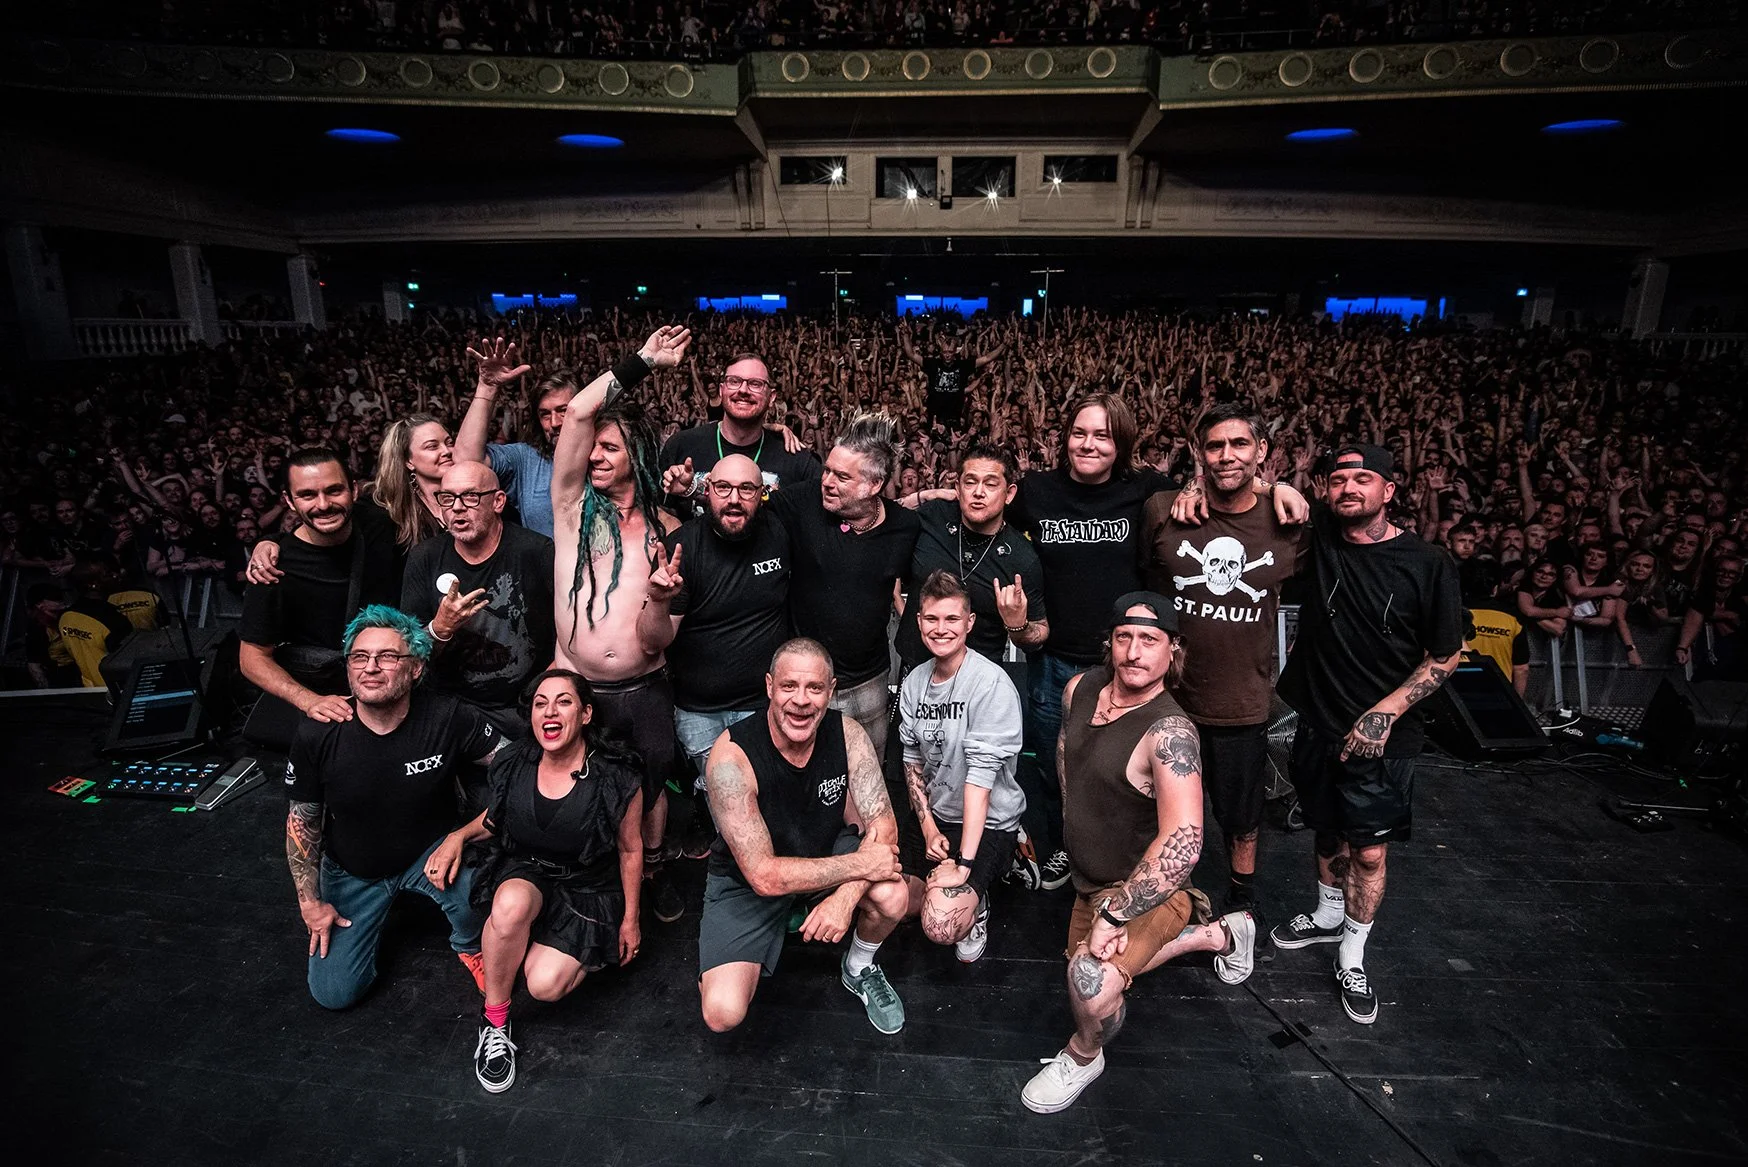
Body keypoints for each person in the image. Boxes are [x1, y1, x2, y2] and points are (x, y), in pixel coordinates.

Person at [1020, 593, 1256, 1114]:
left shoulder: (1170, 733)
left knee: (1089, 983)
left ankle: (1084, 1057)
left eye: (1150, 640)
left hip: (1142, 892)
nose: (1134, 651)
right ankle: (1218, 935)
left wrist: (1115, 913)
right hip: (1088, 877)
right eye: (1124, 638)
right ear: (1110, 643)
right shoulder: (1080, 689)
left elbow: (1186, 842)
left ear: (1173, 652)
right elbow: (1066, 762)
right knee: (1089, 964)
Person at [1271, 444, 1464, 1025]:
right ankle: (1328, 915)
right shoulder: (1326, 538)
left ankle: (1352, 953)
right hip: (1319, 723)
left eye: (1363, 479)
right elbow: (1274, 500)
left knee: (1370, 852)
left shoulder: (1426, 562)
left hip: (1384, 736)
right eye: (1338, 480)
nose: (1349, 488)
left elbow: (1447, 654)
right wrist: (1282, 481)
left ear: (1389, 490)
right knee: (1326, 830)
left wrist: (1383, 713)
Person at [283, 605, 504, 1011]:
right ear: (348, 668)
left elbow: (513, 768)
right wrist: (309, 902)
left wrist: (464, 834)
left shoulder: (447, 716)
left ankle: (469, 944)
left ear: (416, 669)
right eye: (360, 657)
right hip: (355, 869)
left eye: (388, 656)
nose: (371, 668)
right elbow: (302, 819)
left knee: (490, 900)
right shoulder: (319, 731)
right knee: (333, 995)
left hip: (432, 852)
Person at [551, 325, 692, 923]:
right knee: (580, 787)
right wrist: (643, 362)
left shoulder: (668, 530)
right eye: (593, 448)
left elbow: (658, 641)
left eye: (609, 448)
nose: (593, 457)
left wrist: (659, 600)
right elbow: (580, 410)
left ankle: (653, 869)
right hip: (580, 686)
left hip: (646, 689)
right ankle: (596, 877)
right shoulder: (570, 507)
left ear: (638, 454)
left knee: (652, 784)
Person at [1143, 404, 1308, 914]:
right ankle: (1165, 903)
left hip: (1241, 703)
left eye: (1240, 444)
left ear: (1262, 452)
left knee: (1242, 819)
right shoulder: (1162, 511)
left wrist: (1278, 489)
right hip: (1168, 701)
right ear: (1199, 454)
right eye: (1215, 445)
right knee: (1163, 816)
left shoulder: (1290, 523)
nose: (1227, 455)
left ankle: (1240, 910)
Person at [697, 639, 908, 1035]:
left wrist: (845, 898)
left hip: (826, 854)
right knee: (722, 1013)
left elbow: (886, 827)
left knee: (894, 896)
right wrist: (862, 865)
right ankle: (759, 938)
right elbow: (763, 875)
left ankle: (858, 966)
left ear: (831, 691)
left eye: (814, 688)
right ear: (769, 687)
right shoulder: (731, 757)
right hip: (749, 884)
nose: (801, 700)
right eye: (789, 686)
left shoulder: (848, 733)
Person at [470, 670, 646, 1093]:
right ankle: (495, 1022)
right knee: (510, 906)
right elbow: (496, 820)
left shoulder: (616, 776)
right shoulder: (516, 760)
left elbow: (630, 849)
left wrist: (631, 919)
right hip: (530, 871)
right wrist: (457, 838)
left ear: (585, 714)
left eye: (564, 701)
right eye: (540, 703)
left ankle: (525, 946)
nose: (550, 711)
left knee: (544, 986)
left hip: (589, 886)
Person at [640, 453, 793, 854]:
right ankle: (737, 883)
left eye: (747, 489)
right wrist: (657, 601)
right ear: (706, 492)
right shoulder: (682, 549)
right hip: (700, 711)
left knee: (767, 806)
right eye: (723, 488)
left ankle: (766, 887)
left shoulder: (779, 533)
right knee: (727, 809)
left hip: (762, 705)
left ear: (762, 495)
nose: (734, 499)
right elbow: (653, 643)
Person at [765, 413, 920, 760]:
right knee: (799, 773)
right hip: (804, 684)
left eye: (842, 477)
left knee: (867, 775)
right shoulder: (804, 503)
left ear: (874, 485)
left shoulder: (904, 527)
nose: (827, 482)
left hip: (868, 682)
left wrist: (935, 492)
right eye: (828, 470)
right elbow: (744, 502)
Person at [896, 572, 1025, 963]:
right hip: (940, 816)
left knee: (941, 923)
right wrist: (929, 829)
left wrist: (964, 866)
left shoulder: (990, 684)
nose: (941, 629)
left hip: (987, 820)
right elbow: (912, 761)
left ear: (969, 623)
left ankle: (986, 891)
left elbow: (980, 783)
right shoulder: (915, 683)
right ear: (918, 621)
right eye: (932, 619)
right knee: (889, 896)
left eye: (952, 619)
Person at [238, 449, 402, 745]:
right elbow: (251, 658)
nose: (323, 504)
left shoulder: (377, 524)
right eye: (307, 495)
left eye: (334, 490)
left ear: (354, 489)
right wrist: (309, 701)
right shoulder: (273, 569)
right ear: (289, 501)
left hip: (392, 699)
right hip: (332, 708)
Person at [400, 460, 555, 737]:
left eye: (470, 496)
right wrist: (441, 628)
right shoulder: (425, 557)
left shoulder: (535, 551)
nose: (457, 507)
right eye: (447, 498)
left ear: (497, 501)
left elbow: (568, 632)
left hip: (524, 704)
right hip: (453, 707)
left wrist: (544, 692)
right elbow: (408, 652)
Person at [894, 439, 1047, 673]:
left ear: (1009, 493)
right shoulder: (933, 517)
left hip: (978, 683)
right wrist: (924, 495)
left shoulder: (1022, 557)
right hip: (915, 670)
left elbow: (1040, 632)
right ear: (957, 488)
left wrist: (1019, 627)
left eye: (991, 484)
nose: (978, 492)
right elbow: (877, 519)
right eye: (970, 482)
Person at [658, 353, 820, 515]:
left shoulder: (794, 457)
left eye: (755, 384)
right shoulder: (681, 446)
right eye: (734, 381)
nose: (743, 390)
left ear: (771, 397)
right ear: (722, 391)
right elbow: (654, 515)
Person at [455, 338, 560, 537]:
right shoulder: (527, 459)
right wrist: (487, 388)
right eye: (545, 414)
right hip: (546, 567)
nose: (554, 422)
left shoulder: (605, 455)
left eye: (563, 411)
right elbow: (466, 461)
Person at [896, 318, 1004, 429]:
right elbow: (911, 355)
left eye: (950, 352)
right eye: (945, 352)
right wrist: (905, 335)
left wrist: (1004, 344)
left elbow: (986, 358)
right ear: (941, 352)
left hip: (954, 417)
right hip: (934, 417)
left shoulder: (963, 365)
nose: (947, 355)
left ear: (955, 352)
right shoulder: (932, 364)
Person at [372, 413, 455, 551]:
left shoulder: (473, 497)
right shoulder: (391, 514)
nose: (447, 451)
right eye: (432, 446)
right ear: (408, 461)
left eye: (449, 443)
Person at [55, 558, 136, 689]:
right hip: (116, 691)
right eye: (108, 574)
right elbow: (129, 663)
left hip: (90, 690)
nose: (116, 575)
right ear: (93, 584)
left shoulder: (65, 617)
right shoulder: (113, 620)